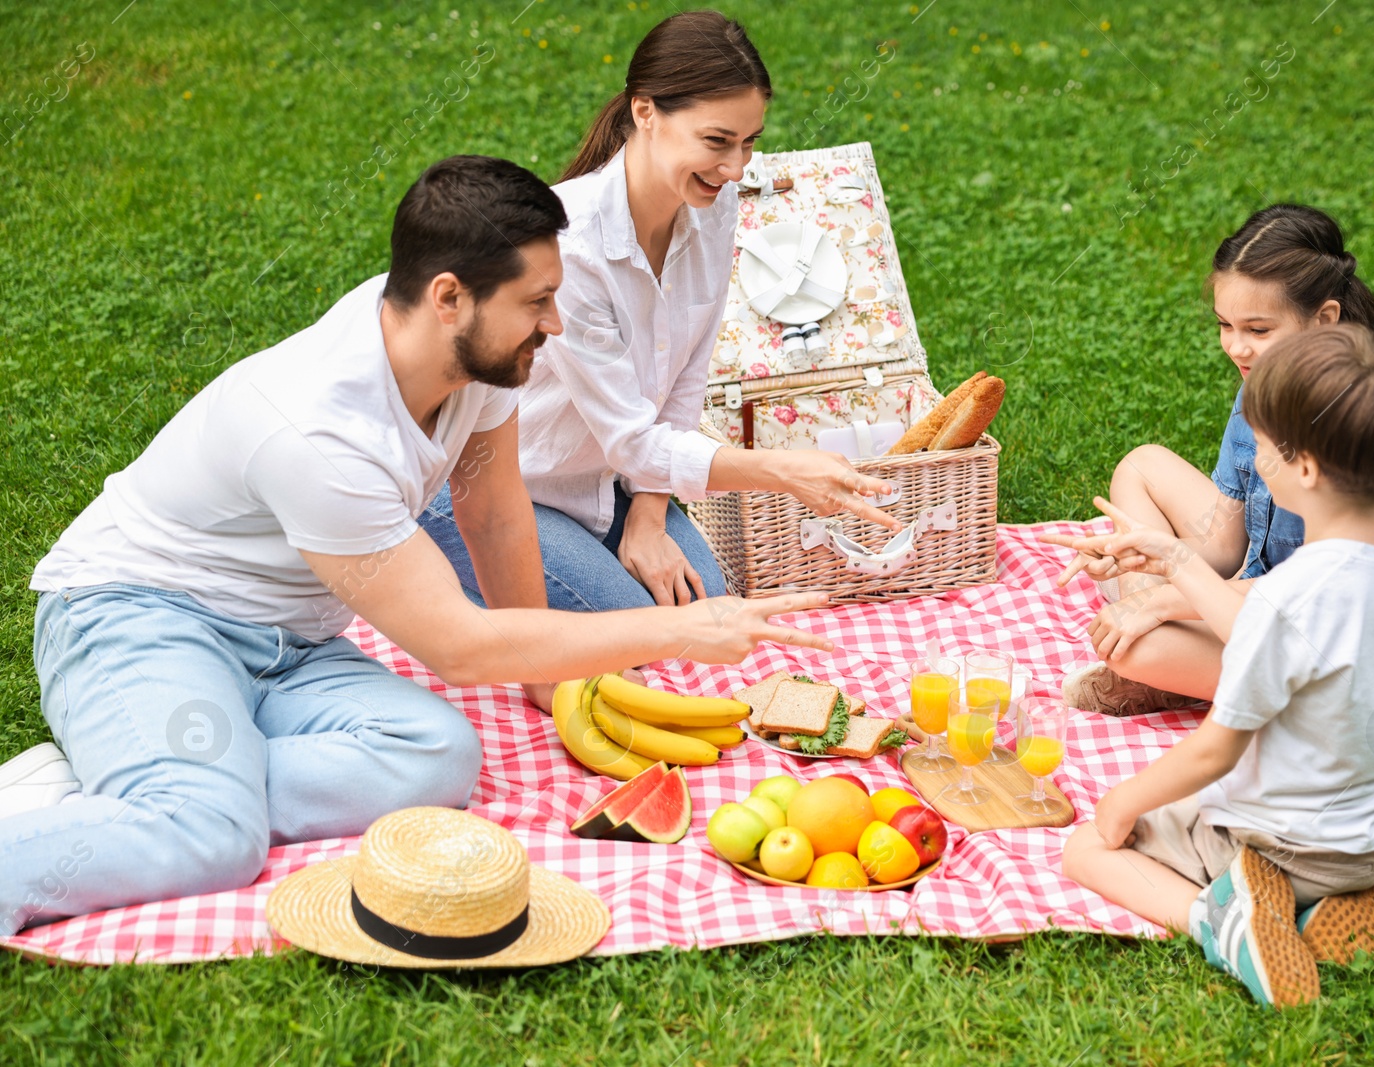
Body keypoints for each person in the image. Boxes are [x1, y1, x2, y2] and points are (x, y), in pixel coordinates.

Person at [0, 155, 832, 936]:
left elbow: (496, 513)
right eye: (537, 302)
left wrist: (546, 677)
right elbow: (461, 648)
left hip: (293, 646)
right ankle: (161, 798)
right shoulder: (319, 432)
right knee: (215, 840)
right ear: (449, 296)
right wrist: (687, 629)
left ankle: (167, 771)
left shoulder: (467, 357)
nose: (557, 321)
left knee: (438, 755)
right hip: (139, 617)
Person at [420, 10, 902, 612]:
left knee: (706, 601)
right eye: (717, 141)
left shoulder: (712, 206)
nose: (735, 170)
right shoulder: (571, 247)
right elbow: (631, 438)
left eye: (749, 142)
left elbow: (684, 381)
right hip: (511, 490)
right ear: (645, 112)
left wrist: (648, 516)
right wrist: (782, 471)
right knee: (637, 626)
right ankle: (438, 555)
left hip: (613, 485)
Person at [1060, 324, 1374, 1008]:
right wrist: (1175, 560)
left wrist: (1120, 806)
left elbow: (1213, 751)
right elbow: (1272, 632)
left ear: (1307, 468)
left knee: (1087, 849)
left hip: (1290, 845)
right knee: (1192, 817)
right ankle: (1348, 903)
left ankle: (1225, 921)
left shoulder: (1292, 596)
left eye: (1261, 443)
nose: (1252, 454)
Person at [1047, 204, 1374, 715]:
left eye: (1258, 329)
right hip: (1259, 590)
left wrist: (1162, 596)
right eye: (1225, 324)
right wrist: (1149, 557)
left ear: (1324, 319)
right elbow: (1228, 543)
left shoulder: (1354, 426)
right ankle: (1165, 645)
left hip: (1317, 645)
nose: (1236, 346)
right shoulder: (1265, 383)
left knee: (1139, 645)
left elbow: (1305, 594)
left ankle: (1167, 663)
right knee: (1141, 466)